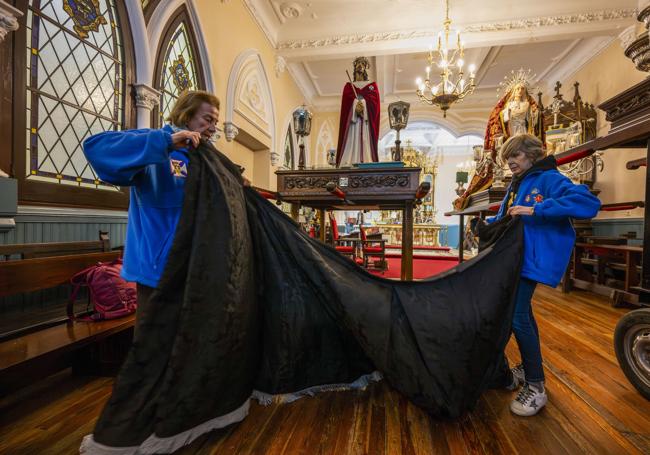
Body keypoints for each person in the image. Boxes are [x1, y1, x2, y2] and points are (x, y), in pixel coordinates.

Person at [83, 90, 249, 308]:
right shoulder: (156, 142)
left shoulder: (204, 157)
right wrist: (167, 142)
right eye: (207, 119)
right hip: (158, 269)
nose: (212, 128)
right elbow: (95, 148)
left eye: (215, 122)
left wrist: (234, 181)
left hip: (195, 267)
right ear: (186, 115)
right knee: (155, 337)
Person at [483, 133, 600, 416]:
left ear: (533, 155)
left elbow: (587, 203)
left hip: (530, 259)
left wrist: (537, 209)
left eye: (516, 156)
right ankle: (524, 368)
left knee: (517, 315)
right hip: (514, 258)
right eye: (507, 158)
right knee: (518, 313)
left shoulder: (548, 178)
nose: (510, 161)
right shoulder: (518, 181)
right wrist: (488, 224)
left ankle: (536, 387)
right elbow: (508, 216)